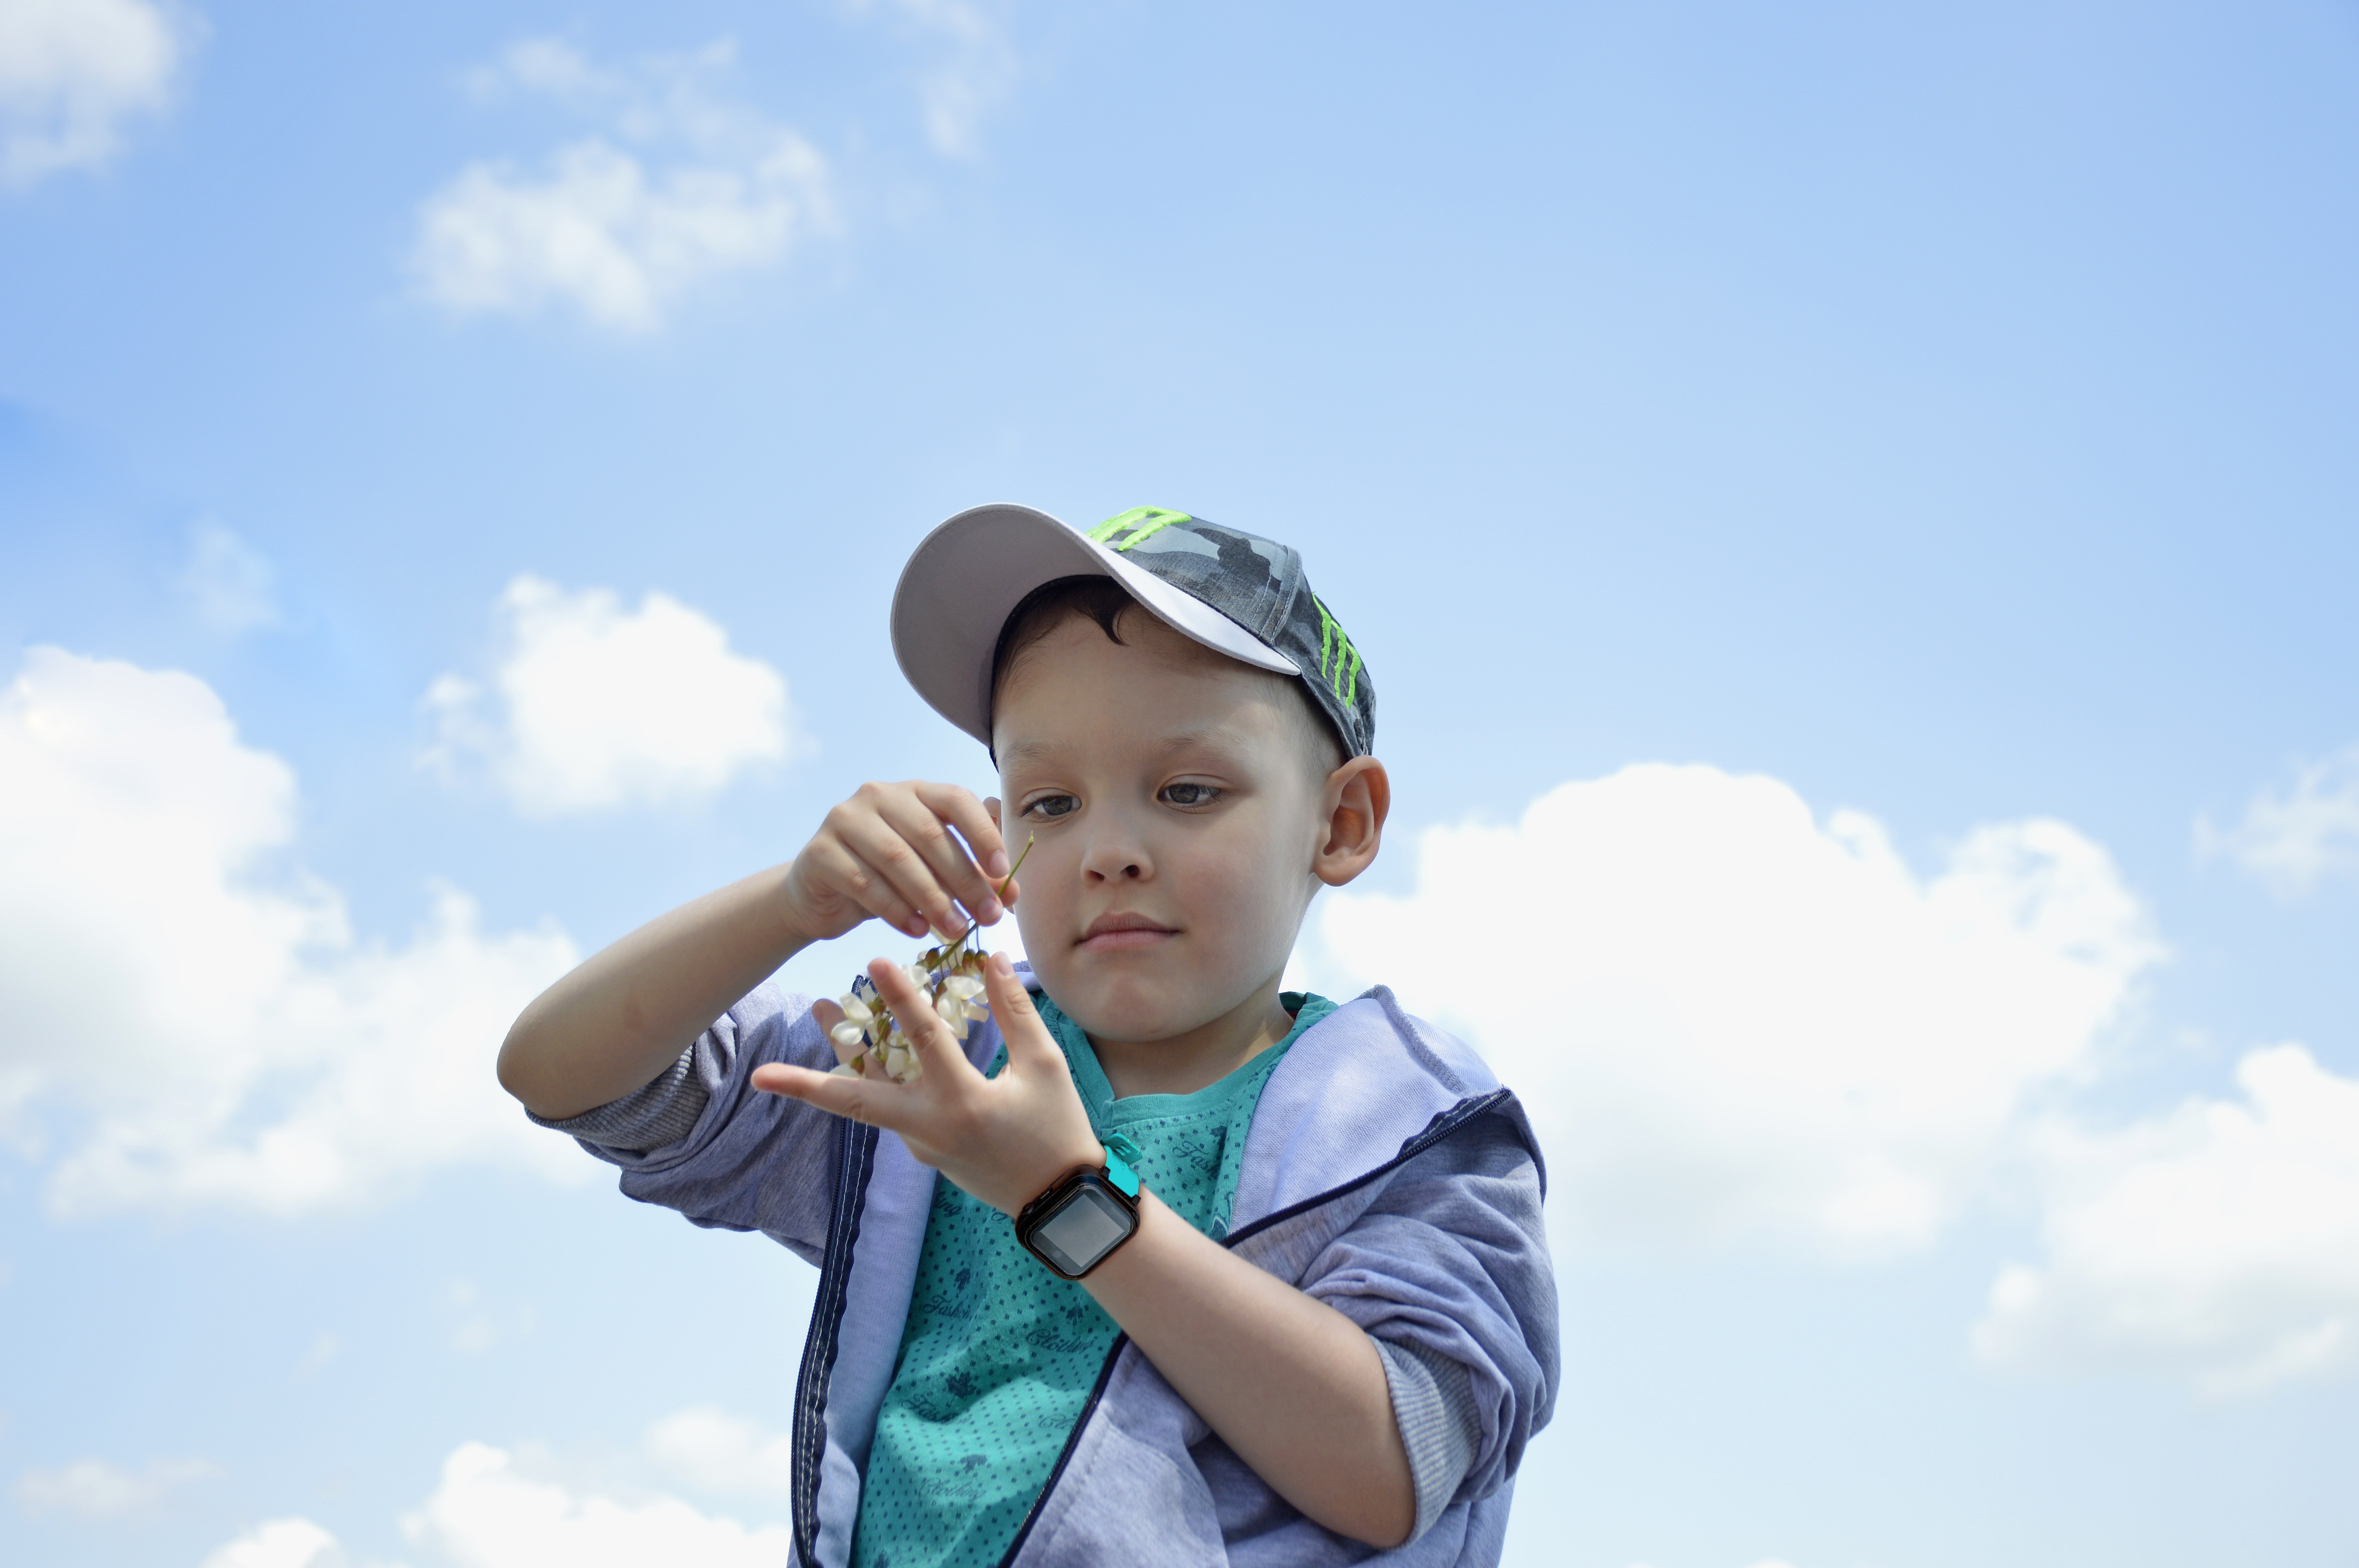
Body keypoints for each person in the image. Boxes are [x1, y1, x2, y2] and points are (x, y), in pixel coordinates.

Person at [498, 503, 1558, 1568]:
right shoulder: (934, 1063)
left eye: (1188, 790)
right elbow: (566, 1077)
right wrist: (790, 906)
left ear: (1342, 824)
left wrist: (1064, 1196)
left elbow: (1394, 1467)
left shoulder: (1412, 1122)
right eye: (1048, 802)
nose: (1107, 851)